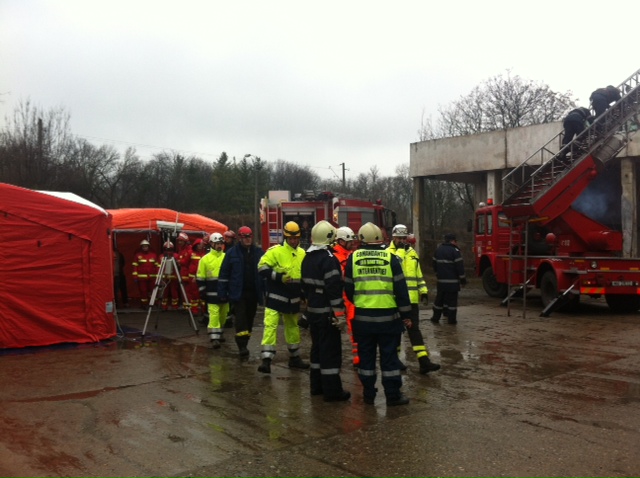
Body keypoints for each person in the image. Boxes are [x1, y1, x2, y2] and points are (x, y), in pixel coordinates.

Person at [345, 222, 412, 407]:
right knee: (389, 358)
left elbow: (348, 289)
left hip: (363, 320)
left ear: (361, 239)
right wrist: (406, 315)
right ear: (380, 239)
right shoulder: (391, 258)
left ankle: (368, 394)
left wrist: (361, 301)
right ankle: (392, 395)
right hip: (388, 320)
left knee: (366, 358)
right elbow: (401, 290)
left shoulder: (353, 258)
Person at [301, 220, 351, 402]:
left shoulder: (307, 257)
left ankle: (316, 386)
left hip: (313, 312)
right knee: (330, 352)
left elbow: (304, 287)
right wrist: (339, 313)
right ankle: (332, 391)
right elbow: (334, 288)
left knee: (317, 350)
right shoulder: (329, 259)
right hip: (327, 313)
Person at [256, 221, 308, 373]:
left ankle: (295, 358)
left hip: (293, 298)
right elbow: (261, 268)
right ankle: (266, 360)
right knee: (270, 326)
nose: (293, 241)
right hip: (275, 297)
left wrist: (304, 294)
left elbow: (303, 277)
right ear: (285, 237)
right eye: (290, 238)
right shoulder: (275, 251)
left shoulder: (302, 254)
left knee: (292, 328)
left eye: (295, 238)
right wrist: (279, 277)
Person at [388, 224, 441, 374]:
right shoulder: (388, 253)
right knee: (395, 332)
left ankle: (424, 361)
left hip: (411, 301)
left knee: (414, 330)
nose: (401, 241)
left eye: (404, 238)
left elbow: (418, 274)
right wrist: (400, 251)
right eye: (399, 238)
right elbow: (394, 269)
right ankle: (394, 360)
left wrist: (423, 291)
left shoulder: (412, 253)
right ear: (393, 237)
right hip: (395, 300)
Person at [218, 226, 265, 357]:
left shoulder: (259, 253)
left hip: (253, 293)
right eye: (245, 237)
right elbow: (224, 273)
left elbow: (264, 273)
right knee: (241, 319)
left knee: (250, 319)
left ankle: (245, 340)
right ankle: (242, 346)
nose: (248, 239)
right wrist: (222, 293)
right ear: (240, 238)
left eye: (249, 236)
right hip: (238, 293)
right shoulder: (231, 253)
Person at [332, 226, 359, 367]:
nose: (353, 244)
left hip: (349, 296)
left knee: (354, 328)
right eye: (350, 242)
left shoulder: (351, 255)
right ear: (341, 241)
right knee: (335, 330)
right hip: (341, 298)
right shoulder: (335, 257)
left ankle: (357, 359)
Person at [197, 233, 229, 349]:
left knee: (223, 314)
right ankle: (214, 337)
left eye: (221, 243)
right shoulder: (205, 259)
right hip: (211, 292)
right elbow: (200, 277)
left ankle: (219, 332)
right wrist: (202, 291)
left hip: (225, 292)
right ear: (211, 244)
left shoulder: (227, 257)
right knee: (214, 314)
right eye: (218, 243)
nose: (220, 246)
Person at [431, 233, 466, 325]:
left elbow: (434, 264)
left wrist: (437, 274)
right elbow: (460, 267)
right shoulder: (455, 251)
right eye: (455, 241)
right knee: (452, 302)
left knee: (439, 300)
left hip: (441, 282)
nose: (456, 243)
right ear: (452, 241)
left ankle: (435, 318)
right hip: (453, 283)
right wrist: (463, 279)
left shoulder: (438, 250)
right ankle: (451, 320)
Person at [132, 239, 158, 309]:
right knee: (143, 291)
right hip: (142, 278)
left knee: (153, 291)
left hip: (152, 277)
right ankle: (144, 305)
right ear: (141, 247)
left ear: (148, 247)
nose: (145, 248)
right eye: (143, 246)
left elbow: (157, 266)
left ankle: (153, 304)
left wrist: (158, 276)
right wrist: (135, 276)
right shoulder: (137, 255)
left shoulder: (153, 255)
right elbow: (135, 266)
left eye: (146, 246)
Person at [159, 241, 180, 310]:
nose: (168, 251)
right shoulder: (161, 256)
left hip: (174, 277)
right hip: (164, 277)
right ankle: (164, 305)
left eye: (170, 249)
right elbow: (159, 266)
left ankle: (175, 305)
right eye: (166, 249)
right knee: (164, 291)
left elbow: (179, 266)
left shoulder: (176, 256)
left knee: (174, 292)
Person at [188, 239, 206, 314]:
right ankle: (194, 310)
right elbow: (186, 263)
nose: (199, 246)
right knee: (194, 294)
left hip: (202, 276)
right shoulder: (191, 253)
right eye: (198, 245)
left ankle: (204, 310)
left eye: (201, 244)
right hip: (192, 277)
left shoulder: (205, 254)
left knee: (203, 293)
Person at [176, 232, 192, 309]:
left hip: (188, 274)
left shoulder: (189, 250)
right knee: (184, 291)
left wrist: (179, 261)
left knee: (188, 291)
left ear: (185, 241)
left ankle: (189, 307)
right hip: (183, 273)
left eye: (181, 241)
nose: (179, 242)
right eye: (179, 241)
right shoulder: (181, 249)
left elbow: (186, 261)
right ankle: (185, 307)